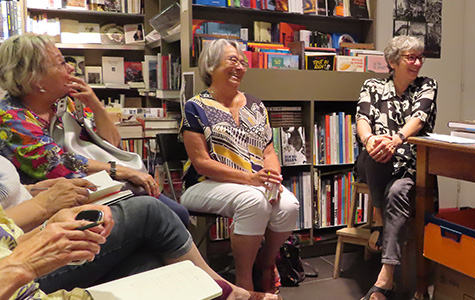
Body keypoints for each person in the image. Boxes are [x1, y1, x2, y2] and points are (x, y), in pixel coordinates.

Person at [0, 155, 279, 300]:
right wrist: (41, 212)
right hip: (21, 273)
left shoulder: (66, 109)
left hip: (25, 240)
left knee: (151, 260)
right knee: (152, 210)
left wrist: (38, 196)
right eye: (57, 62)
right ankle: (228, 290)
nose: (67, 68)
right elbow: (64, 160)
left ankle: (222, 289)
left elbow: (109, 141)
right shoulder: (16, 119)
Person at [0, 33, 189, 226]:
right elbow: (57, 166)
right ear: (35, 79)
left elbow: (112, 143)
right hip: (62, 207)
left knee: (177, 213)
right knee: (166, 216)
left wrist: (95, 104)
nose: (71, 68)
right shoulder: (11, 119)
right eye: (61, 63)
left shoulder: (63, 104)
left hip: (102, 187)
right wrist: (121, 171)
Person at [180, 39, 299, 293]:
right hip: (205, 185)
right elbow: (201, 163)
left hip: (253, 184)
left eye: (242, 62)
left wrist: (273, 176)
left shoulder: (256, 105)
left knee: (289, 205)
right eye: (232, 60)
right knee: (253, 202)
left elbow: (268, 150)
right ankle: (244, 281)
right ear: (211, 65)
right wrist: (251, 178)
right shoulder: (195, 107)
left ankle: (265, 266)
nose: (239, 67)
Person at [355, 35, 437, 300]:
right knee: (376, 152)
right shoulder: (373, 85)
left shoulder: (427, 85)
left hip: (411, 165)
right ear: (392, 61)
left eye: (420, 57)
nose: (417, 63)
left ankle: (385, 277)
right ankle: (378, 218)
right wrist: (370, 140)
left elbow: (419, 118)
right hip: (374, 162)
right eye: (410, 57)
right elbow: (362, 119)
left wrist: (397, 139)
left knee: (397, 193)